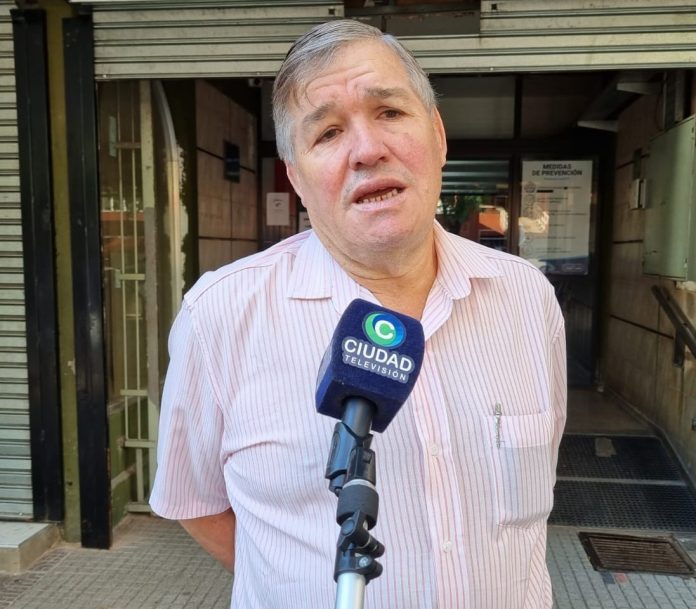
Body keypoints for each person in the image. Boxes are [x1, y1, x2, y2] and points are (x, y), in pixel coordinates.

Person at [150, 19, 566, 609]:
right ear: (296, 177)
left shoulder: (526, 297)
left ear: (438, 136)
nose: (368, 150)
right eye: (327, 133)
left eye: (390, 112)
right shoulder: (219, 315)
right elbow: (196, 505)